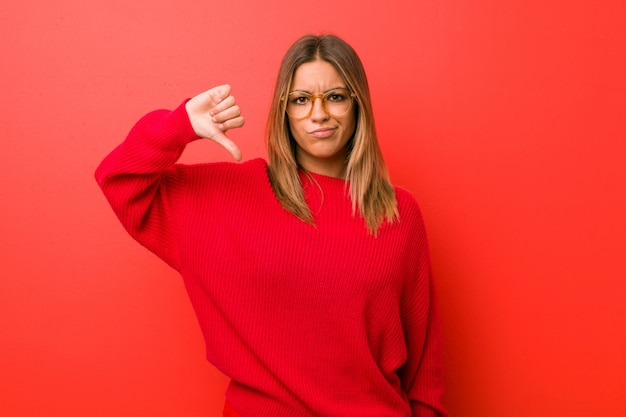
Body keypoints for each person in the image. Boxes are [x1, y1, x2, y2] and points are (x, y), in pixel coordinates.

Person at [95, 34, 448, 417]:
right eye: (300, 100)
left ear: (357, 105)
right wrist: (178, 127)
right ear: (283, 110)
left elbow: (424, 371)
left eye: (335, 96)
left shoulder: (398, 212)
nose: (318, 114)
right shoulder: (227, 197)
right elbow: (119, 178)